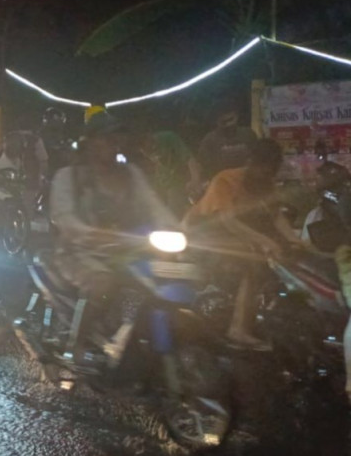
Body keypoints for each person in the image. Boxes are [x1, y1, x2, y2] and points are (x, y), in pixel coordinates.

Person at [49, 111, 180, 363]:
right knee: (103, 283)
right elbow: (66, 220)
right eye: (106, 138)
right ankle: (75, 345)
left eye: (117, 138)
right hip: (79, 252)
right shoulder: (68, 177)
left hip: (129, 251)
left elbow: (155, 206)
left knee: (167, 279)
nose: (113, 144)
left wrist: (178, 228)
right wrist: (94, 235)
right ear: (90, 143)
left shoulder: (131, 174)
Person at [185, 138, 299, 348]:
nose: (267, 174)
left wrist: (294, 241)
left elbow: (277, 217)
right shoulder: (226, 180)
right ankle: (239, 329)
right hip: (201, 233)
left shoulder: (266, 184)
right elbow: (227, 221)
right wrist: (265, 241)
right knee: (254, 259)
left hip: (232, 234)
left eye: (272, 169)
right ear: (252, 163)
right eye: (264, 168)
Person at [139, 128, 201, 216]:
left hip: (178, 181)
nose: (144, 149)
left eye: (144, 143)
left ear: (148, 136)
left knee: (174, 207)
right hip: (162, 183)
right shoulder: (144, 149)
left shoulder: (168, 138)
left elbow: (189, 159)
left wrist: (195, 180)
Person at [196, 113, 257, 182]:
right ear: (217, 121)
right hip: (222, 182)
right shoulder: (209, 140)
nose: (228, 124)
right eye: (224, 122)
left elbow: (257, 158)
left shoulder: (248, 134)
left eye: (230, 120)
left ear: (236, 116)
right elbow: (203, 166)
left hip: (246, 181)